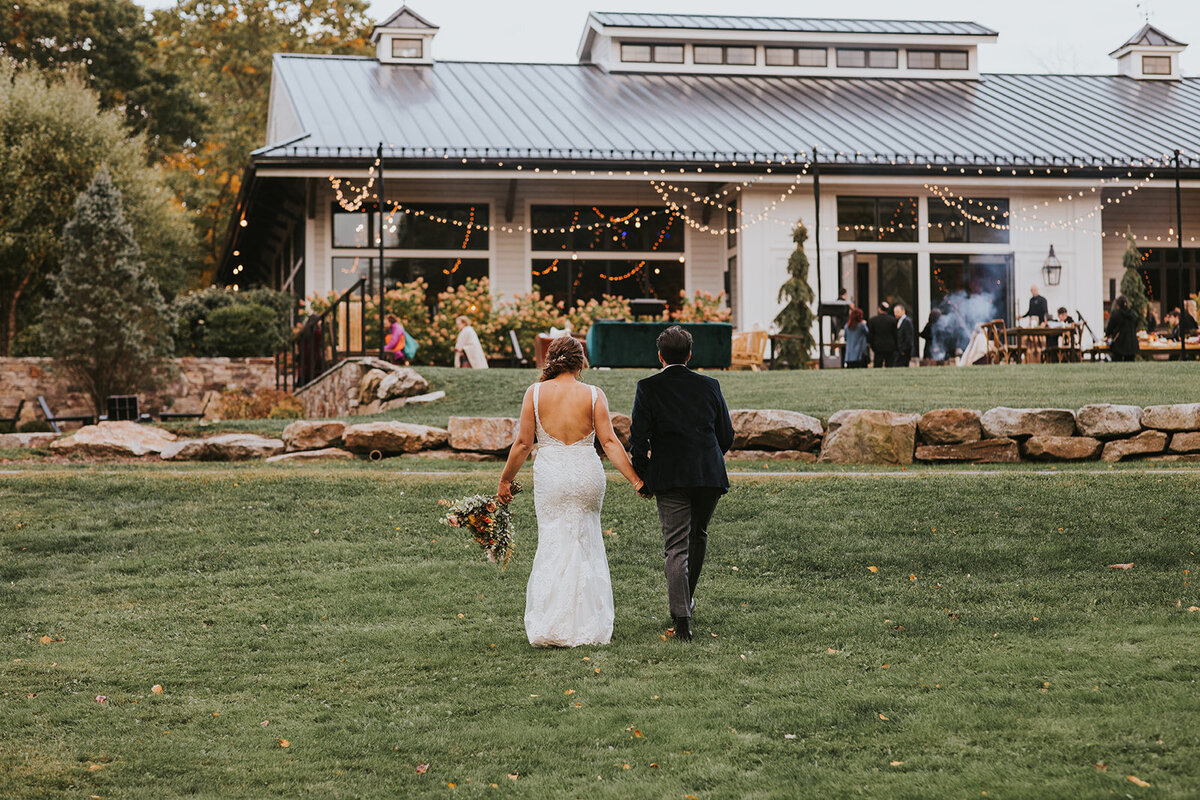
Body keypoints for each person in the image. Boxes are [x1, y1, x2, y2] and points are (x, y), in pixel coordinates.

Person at [497, 336, 643, 648]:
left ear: (551, 360)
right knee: (586, 542)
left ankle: (553, 624)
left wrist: (505, 480)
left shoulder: (535, 394)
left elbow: (523, 444)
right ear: (580, 363)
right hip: (586, 474)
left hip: (552, 476)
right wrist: (635, 480)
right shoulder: (593, 394)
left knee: (554, 541)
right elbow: (610, 443)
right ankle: (587, 624)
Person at [630, 326, 734, 643]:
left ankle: (682, 619)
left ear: (660, 356)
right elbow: (726, 435)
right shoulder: (710, 385)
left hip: (671, 476)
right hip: (708, 475)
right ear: (689, 355)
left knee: (676, 547)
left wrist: (645, 476)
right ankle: (685, 604)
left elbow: (638, 439)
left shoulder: (648, 388)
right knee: (697, 535)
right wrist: (708, 456)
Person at [1105, 295, 1139, 362]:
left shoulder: (1115, 314)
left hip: (1118, 345)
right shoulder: (1133, 314)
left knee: (1117, 366)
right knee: (1130, 367)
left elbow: (1109, 329)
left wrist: (1108, 335)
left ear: (1118, 305)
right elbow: (1135, 326)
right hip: (1132, 345)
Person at [866, 302, 897, 368]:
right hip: (890, 346)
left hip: (878, 346)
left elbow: (870, 335)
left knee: (877, 365)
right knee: (890, 365)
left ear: (879, 309)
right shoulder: (893, 320)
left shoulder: (873, 320)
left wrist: (872, 345)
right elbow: (895, 334)